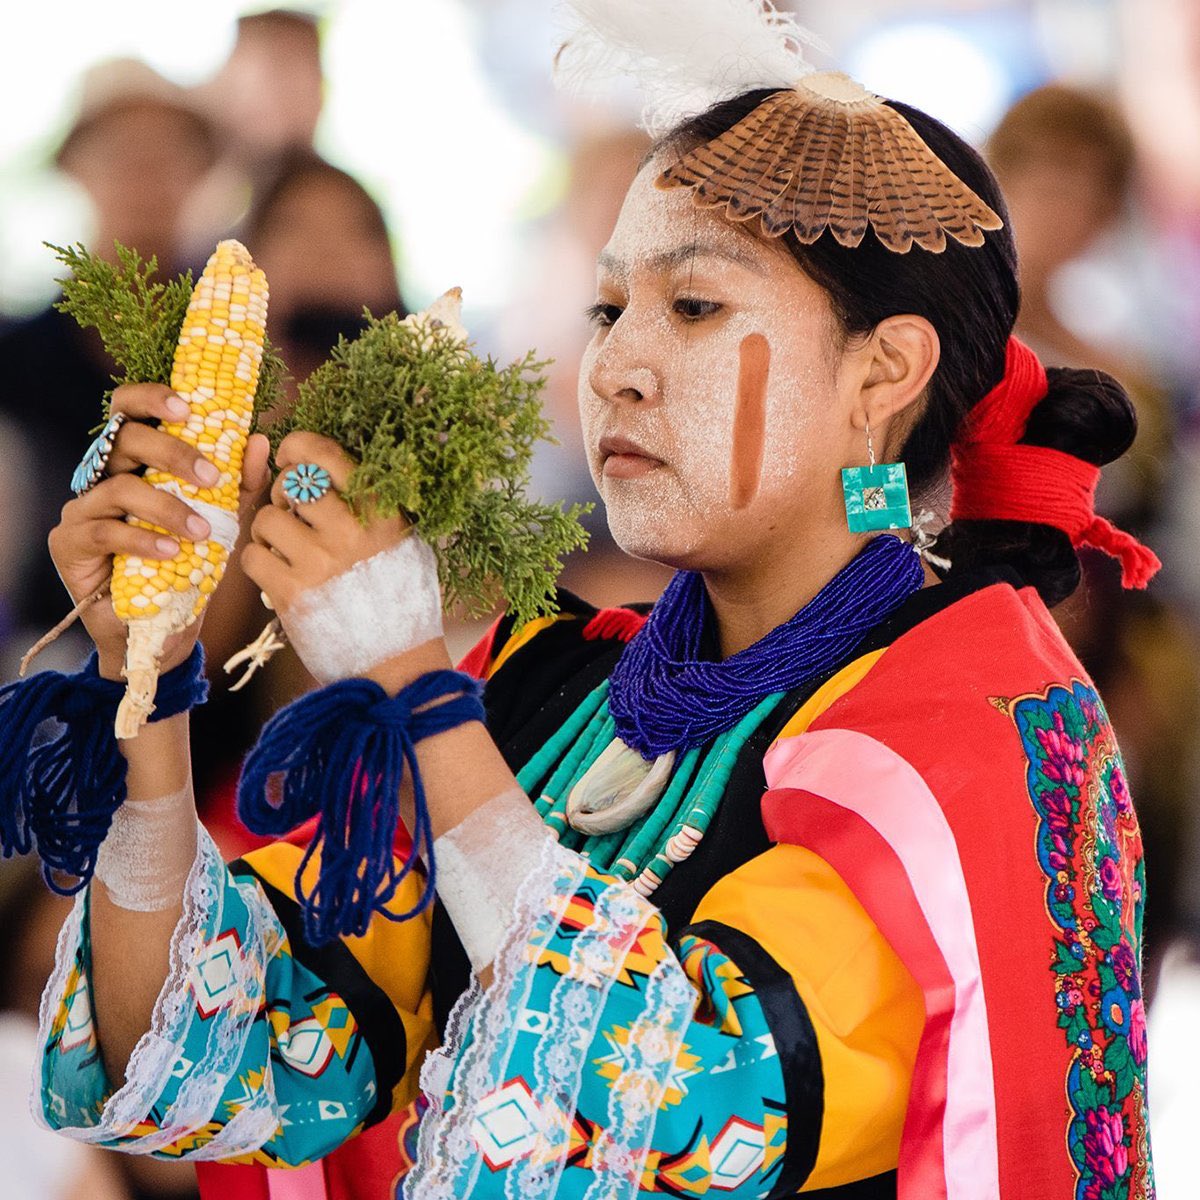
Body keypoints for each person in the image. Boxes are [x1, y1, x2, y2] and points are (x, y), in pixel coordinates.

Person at [21, 5, 1157, 1198]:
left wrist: (409, 685)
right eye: (609, 309)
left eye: (697, 306)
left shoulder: (978, 733)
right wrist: (148, 681)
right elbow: (207, 1057)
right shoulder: (544, 694)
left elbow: (694, 1106)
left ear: (885, 371)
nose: (616, 365)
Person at [0, 58, 217, 640]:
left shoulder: (257, 347)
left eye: (170, 153)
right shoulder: (14, 360)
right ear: (75, 168)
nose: (146, 174)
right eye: (121, 151)